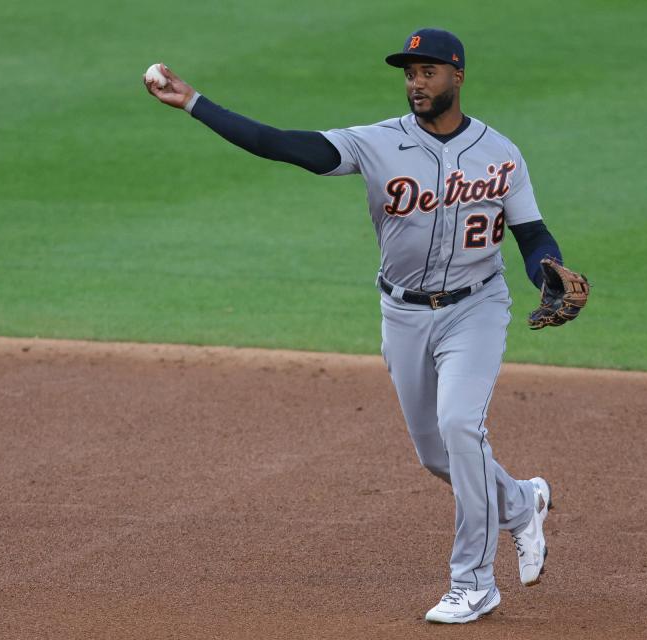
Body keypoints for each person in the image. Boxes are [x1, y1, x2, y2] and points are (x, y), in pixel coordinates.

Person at [144, 28, 573, 624]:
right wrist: (195, 103)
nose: (415, 83)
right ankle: (522, 502)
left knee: (459, 427)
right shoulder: (376, 144)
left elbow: (531, 235)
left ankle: (474, 582)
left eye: (427, 72)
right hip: (402, 312)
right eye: (409, 73)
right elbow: (280, 144)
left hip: (476, 307)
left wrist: (547, 268)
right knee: (435, 453)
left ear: (458, 77)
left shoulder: (500, 152)